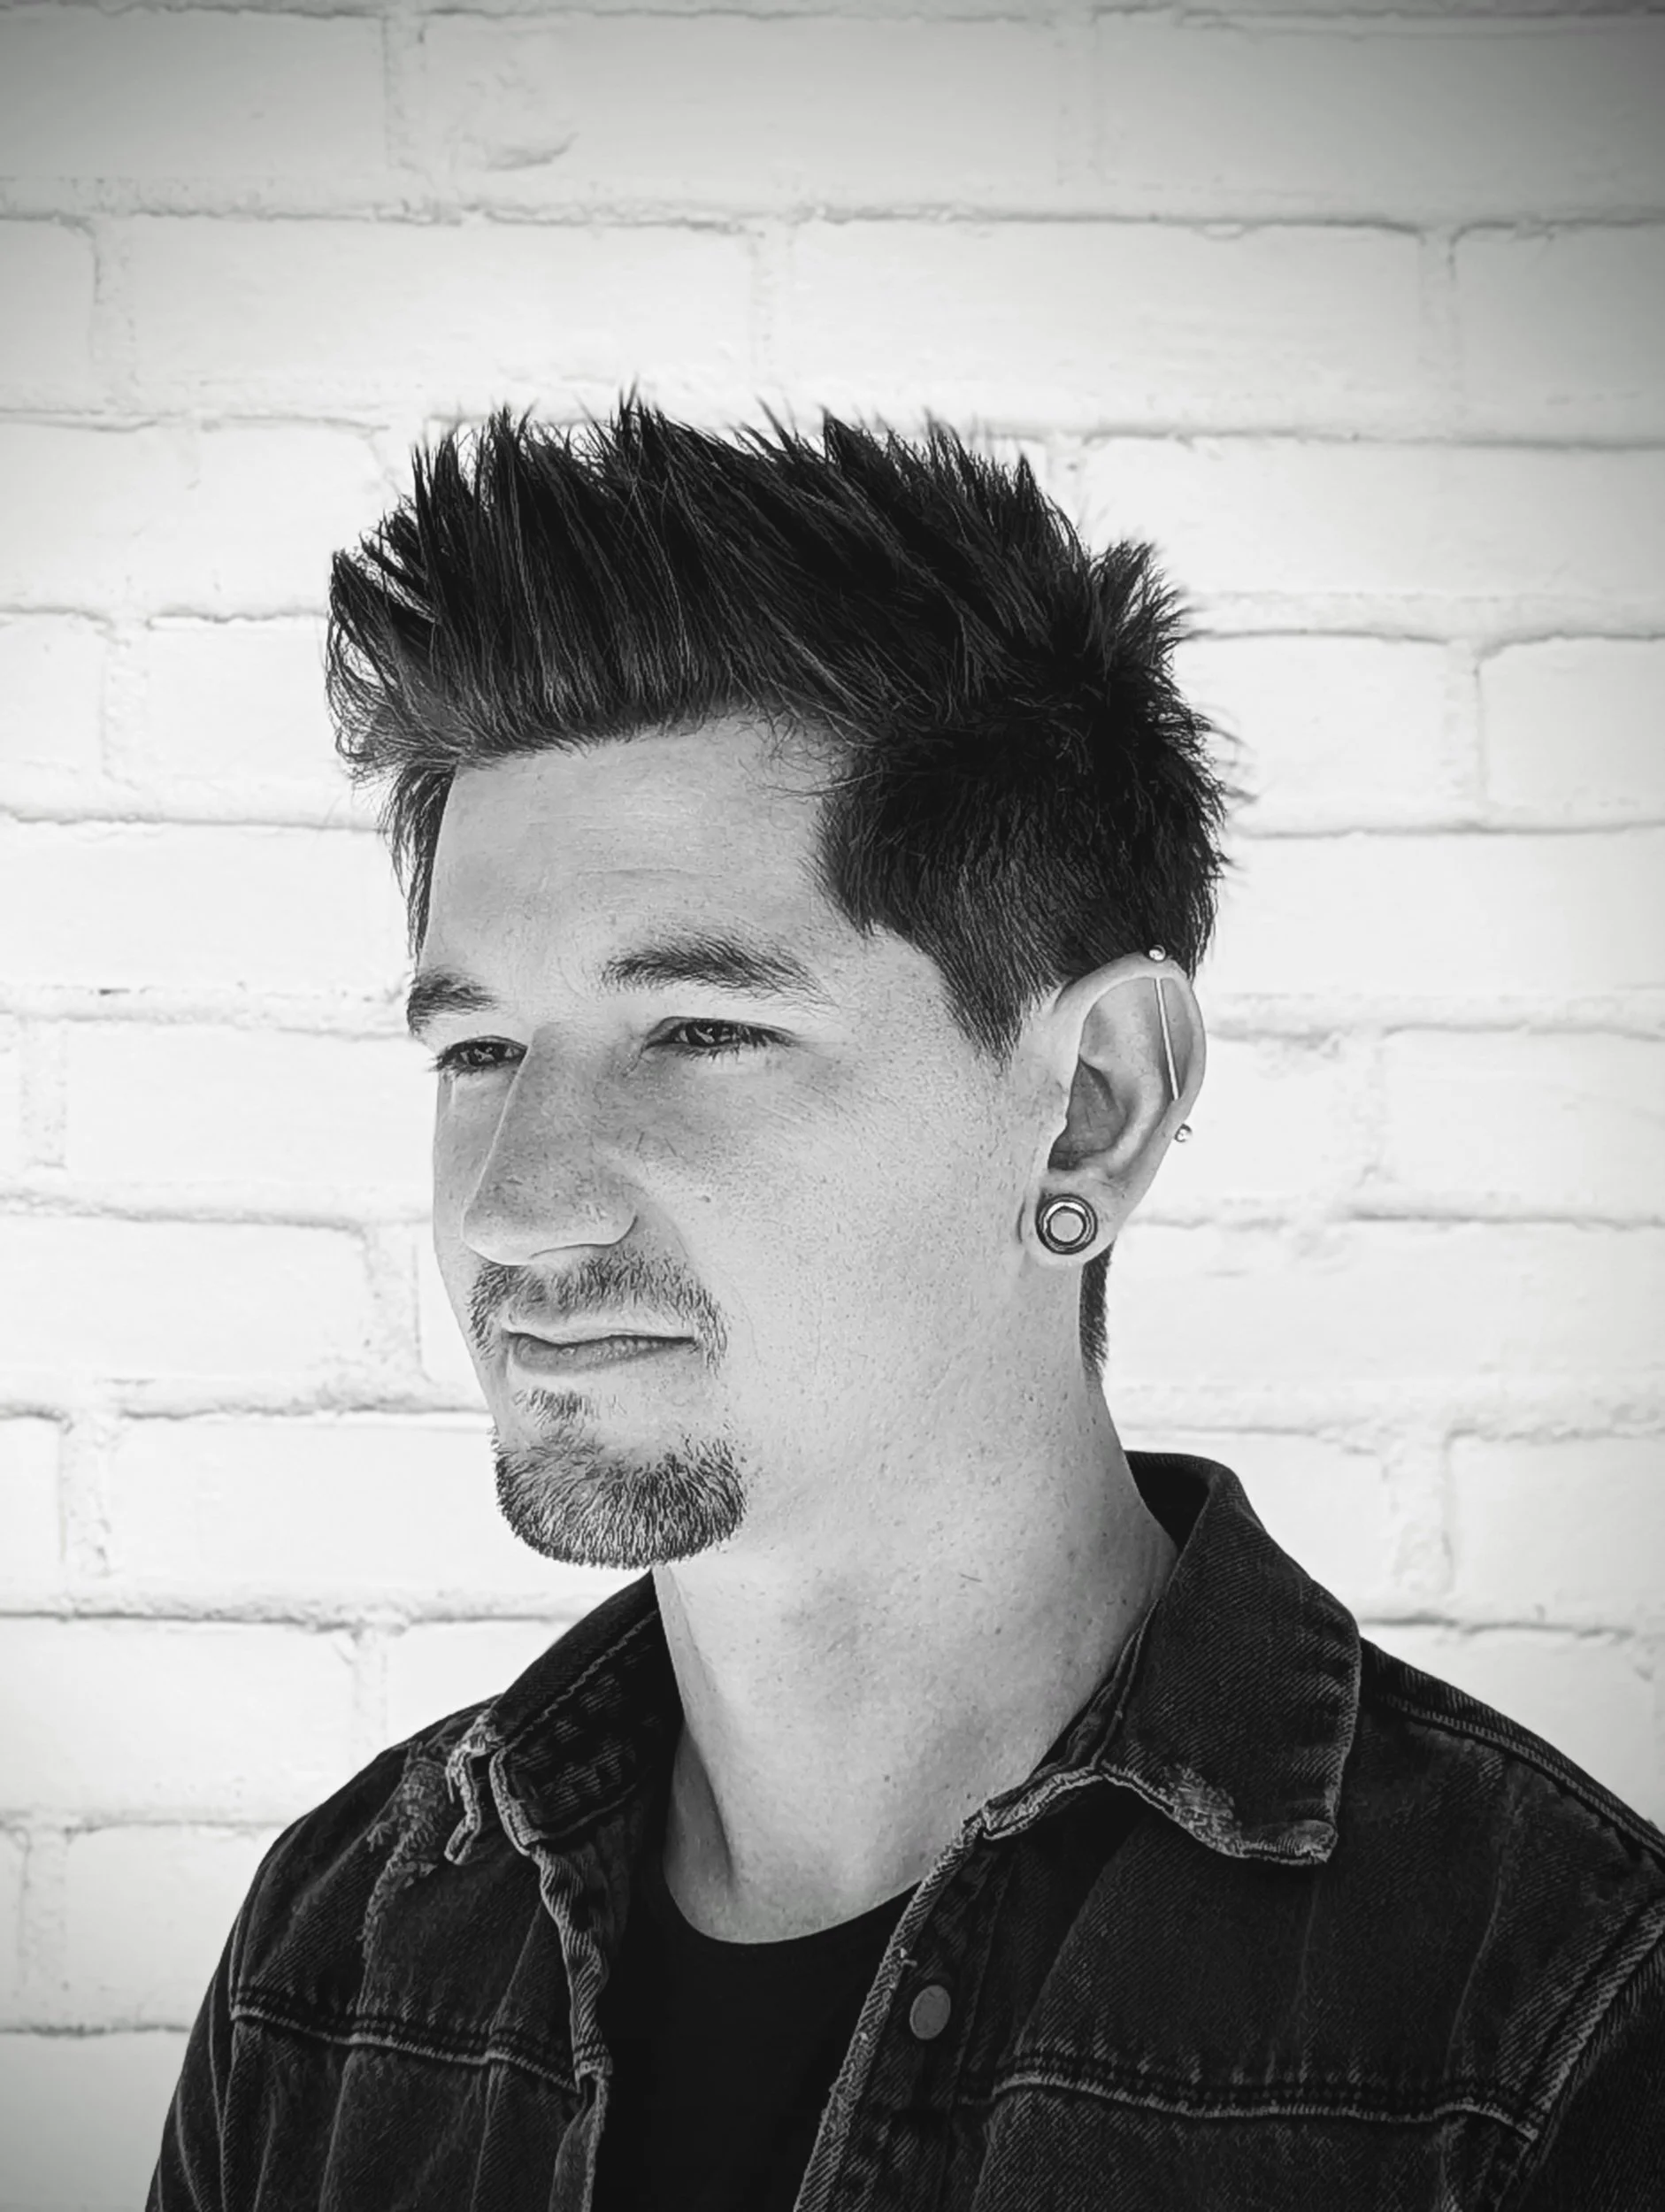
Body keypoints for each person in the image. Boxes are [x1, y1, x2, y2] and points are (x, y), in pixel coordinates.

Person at [149, 401, 1664, 2210]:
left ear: (1091, 1104)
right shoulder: (335, 1957)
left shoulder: (1544, 2017)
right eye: (478, 1049)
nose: (514, 1203)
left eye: (700, 1029)